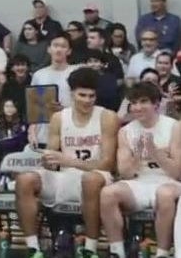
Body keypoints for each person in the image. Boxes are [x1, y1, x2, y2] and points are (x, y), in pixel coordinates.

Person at [14, 67, 118, 258]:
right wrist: (49, 159)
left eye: (91, 96)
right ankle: (33, 248)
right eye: (82, 95)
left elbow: (108, 164)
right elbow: (53, 158)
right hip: (65, 175)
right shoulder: (59, 117)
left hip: (97, 177)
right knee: (25, 179)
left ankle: (90, 248)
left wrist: (69, 160)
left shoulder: (107, 117)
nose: (87, 100)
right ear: (71, 94)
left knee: (90, 180)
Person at [100, 82, 178, 258]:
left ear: (156, 105)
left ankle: (162, 252)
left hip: (167, 181)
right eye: (134, 103)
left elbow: (177, 172)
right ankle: (117, 251)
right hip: (139, 182)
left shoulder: (174, 127)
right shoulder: (126, 131)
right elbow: (125, 172)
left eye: (143, 102)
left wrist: (156, 153)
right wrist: (138, 156)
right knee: (108, 193)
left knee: (165, 194)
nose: (137, 107)